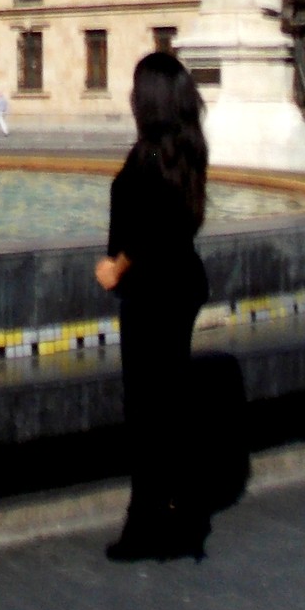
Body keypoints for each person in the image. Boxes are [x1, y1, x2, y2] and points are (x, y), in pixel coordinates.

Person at [94, 52, 214, 562]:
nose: (129, 96)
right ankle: (182, 518)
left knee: (146, 411)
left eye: (136, 88)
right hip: (182, 287)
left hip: (149, 294)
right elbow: (178, 223)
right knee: (173, 404)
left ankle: (144, 526)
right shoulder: (188, 150)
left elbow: (147, 229)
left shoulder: (146, 158)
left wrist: (116, 267)